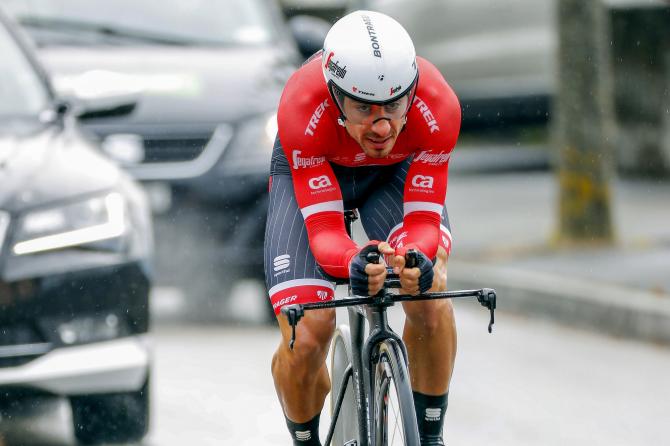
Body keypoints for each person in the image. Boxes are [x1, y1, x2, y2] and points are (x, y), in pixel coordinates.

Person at [264, 10, 460, 445]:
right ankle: (306, 439)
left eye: (393, 104)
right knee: (309, 334)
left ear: (410, 92)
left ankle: (428, 436)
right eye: (364, 107)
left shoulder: (438, 106)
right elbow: (324, 231)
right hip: (316, 172)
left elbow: (424, 220)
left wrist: (417, 259)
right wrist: (353, 259)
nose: (383, 125)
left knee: (429, 292)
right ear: (335, 98)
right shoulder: (301, 106)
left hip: (392, 174)